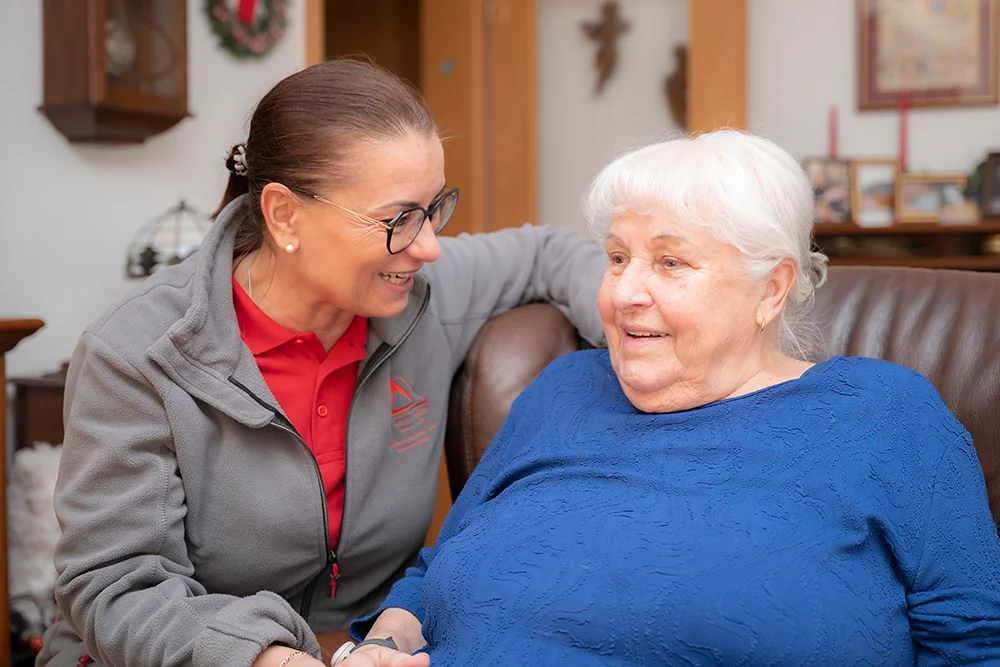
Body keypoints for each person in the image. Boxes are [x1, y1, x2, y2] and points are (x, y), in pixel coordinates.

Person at [345, 130, 1000, 666]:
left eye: (670, 263)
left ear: (771, 289)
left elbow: (975, 645)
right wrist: (381, 644)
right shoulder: (564, 389)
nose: (625, 291)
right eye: (617, 257)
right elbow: (436, 572)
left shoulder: (886, 417)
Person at [38, 59, 607, 667]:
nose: (429, 247)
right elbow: (118, 590)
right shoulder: (137, 352)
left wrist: (651, 337)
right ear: (285, 214)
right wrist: (272, 658)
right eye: (397, 220)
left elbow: (551, 251)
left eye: (434, 208)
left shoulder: (422, 293)